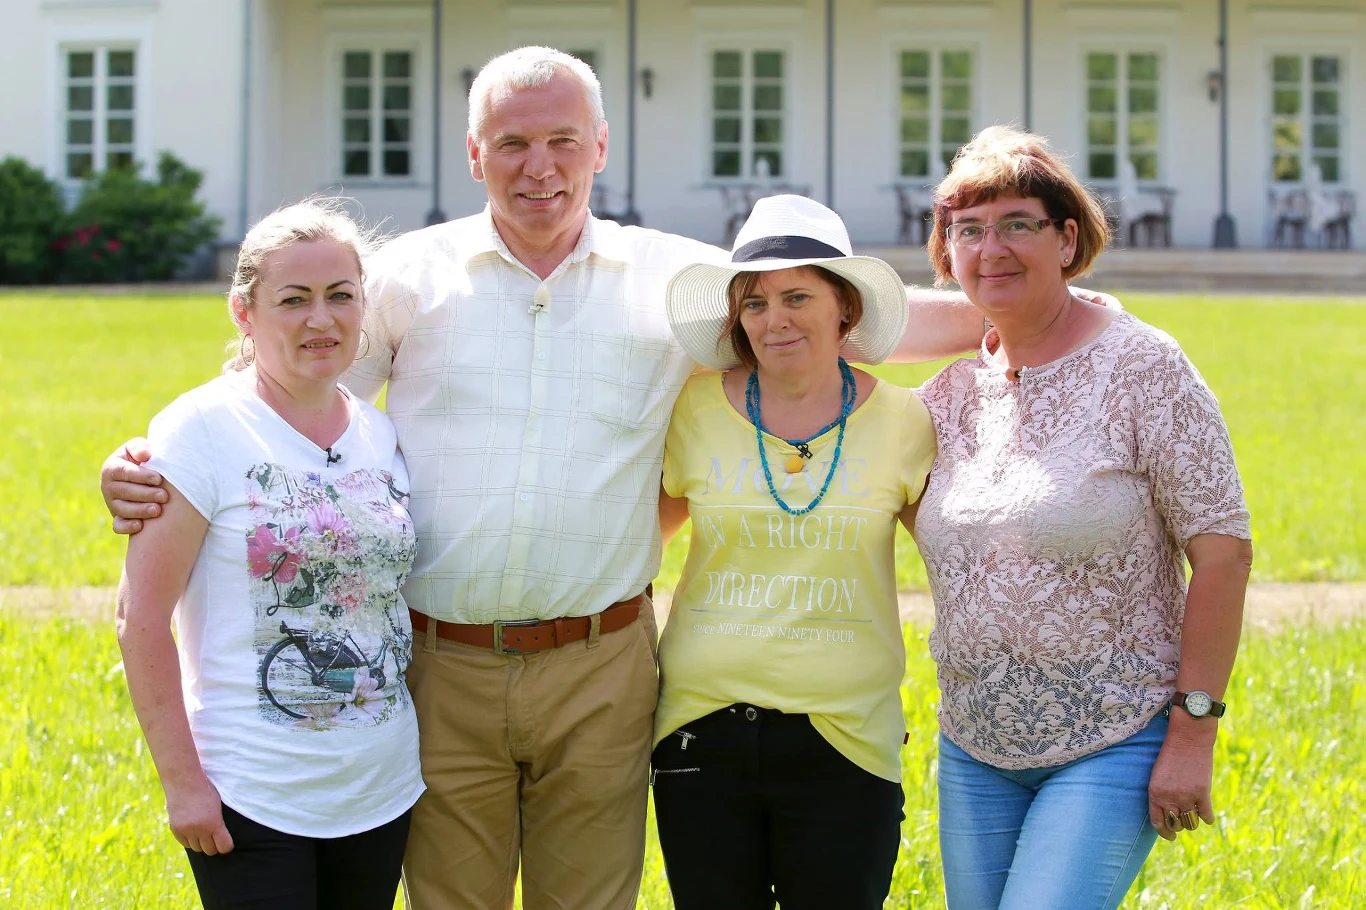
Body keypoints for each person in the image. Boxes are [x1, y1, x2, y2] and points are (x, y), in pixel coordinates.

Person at [101, 48, 1112, 909]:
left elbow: (845, 317)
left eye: (561, 141)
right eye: (511, 143)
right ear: (474, 154)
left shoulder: (674, 284)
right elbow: (285, 375)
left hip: (603, 663)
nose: (538, 167)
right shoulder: (408, 276)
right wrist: (156, 455)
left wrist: (1048, 306)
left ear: (599, 147)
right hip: (439, 664)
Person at [914, 126, 1253, 910]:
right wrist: (988, 311)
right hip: (974, 744)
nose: (990, 246)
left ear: (1068, 238)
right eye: (967, 230)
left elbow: (1225, 553)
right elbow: (842, 327)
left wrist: (1193, 733)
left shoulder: (1145, 368)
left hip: (1116, 734)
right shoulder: (949, 396)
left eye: (1017, 224)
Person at [114, 198, 423, 909]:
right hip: (252, 797)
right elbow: (140, 618)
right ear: (244, 312)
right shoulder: (201, 430)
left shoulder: (380, 434)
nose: (322, 319)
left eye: (341, 296)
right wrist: (183, 784)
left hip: (379, 792)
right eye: (295, 299)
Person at [650, 195, 936, 909]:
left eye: (797, 295)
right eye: (754, 302)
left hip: (846, 738)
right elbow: (633, 550)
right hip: (699, 733)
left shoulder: (906, 421)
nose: (773, 319)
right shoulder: (692, 409)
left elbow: (962, 566)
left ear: (846, 309)